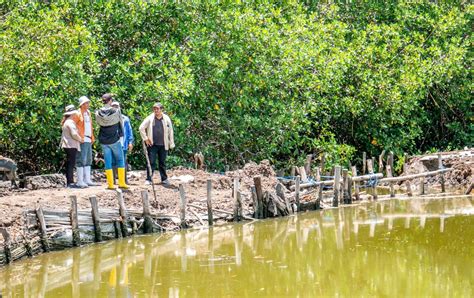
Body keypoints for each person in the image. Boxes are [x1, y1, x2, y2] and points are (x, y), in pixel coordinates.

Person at [95, 93, 128, 189]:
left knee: (108, 161)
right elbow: (120, 124)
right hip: (114, 139)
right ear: (110, 101)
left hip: (103, 140)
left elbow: (99, 123)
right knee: (120, 159)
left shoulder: (98, 112)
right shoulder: (116, 111)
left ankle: (110, 184)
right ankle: (121, 183)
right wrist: (121, 135)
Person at [139, 102, 175, 185]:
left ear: (161, 109)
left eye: (157, 109)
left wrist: (171, 143)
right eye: (154, 109)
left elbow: (170, 131)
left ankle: (164, 179)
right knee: (151, 162)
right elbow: (141, 128)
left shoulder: (166, 118)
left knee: (162, 162)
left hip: (163, 144)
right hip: (152, 145)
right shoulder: (150, 118)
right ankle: (149, 179)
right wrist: (146, 139)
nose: (156, 110)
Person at [74, 96, 98, 187]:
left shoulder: (88, 113)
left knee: (88, 159)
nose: (88, 104)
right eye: (86, 103)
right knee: (81, 159)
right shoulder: (77, 113)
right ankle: (80, 180)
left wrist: (92, 137)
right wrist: (78, 137)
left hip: (88, 138)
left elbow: (90, 126)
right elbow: (74, 125)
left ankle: (87, 179)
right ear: (82, 104)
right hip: (82, 139)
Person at [111, 101, 134, 183]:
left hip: (122, 143)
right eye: (113, 106)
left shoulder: (125, 119)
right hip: (112, 143)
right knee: (113, 161)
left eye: (116, 106)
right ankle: (113, 180)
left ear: (119, 107)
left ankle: (123, 180)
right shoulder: (108, 118)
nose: (115, 108)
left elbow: (129, 131)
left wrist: (130, 142)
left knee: (123, 161)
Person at [60, 105, 83, 188]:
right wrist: (80, 139)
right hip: (71, 145)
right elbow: (74, 134)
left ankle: (70, 182)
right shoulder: (70, 122)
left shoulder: (67, 121)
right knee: (71, 164)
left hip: (68, 145)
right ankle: (70, 182)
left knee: (70, 163)